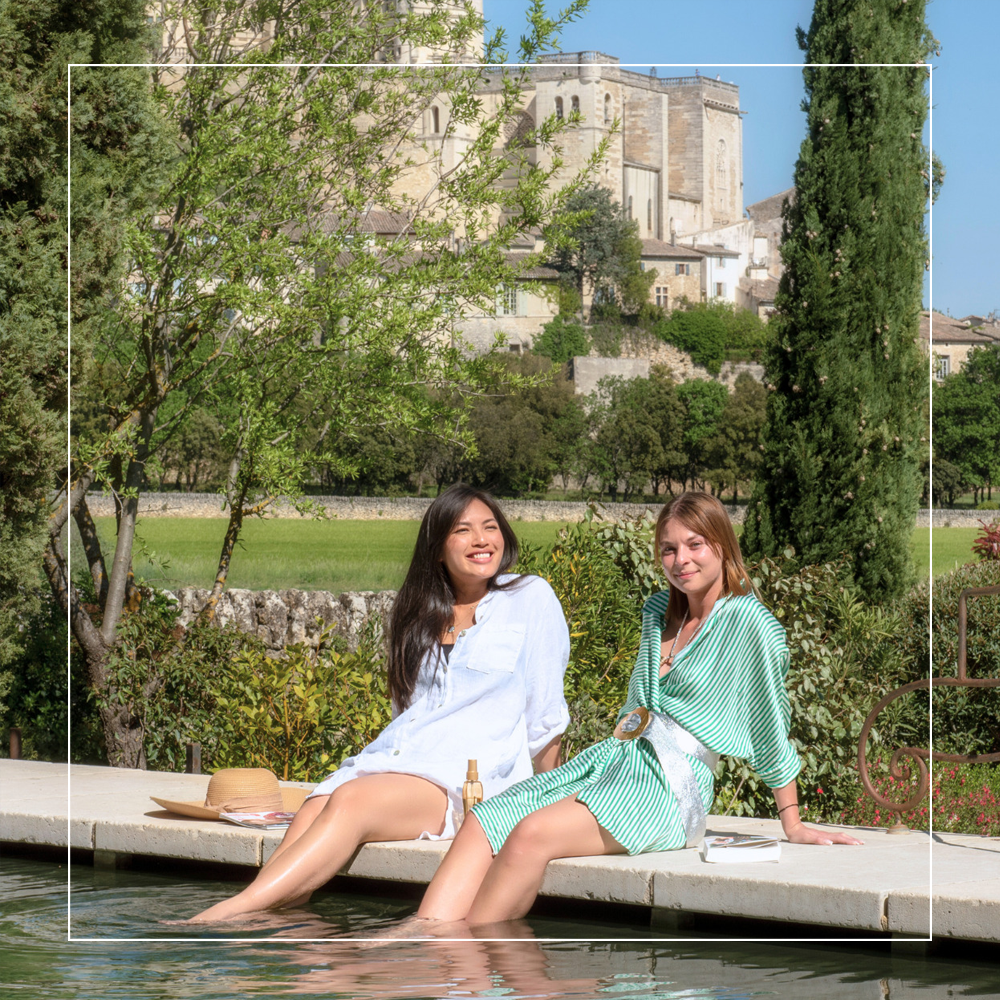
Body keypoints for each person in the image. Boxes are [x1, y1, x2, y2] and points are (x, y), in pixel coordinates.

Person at [416, 492, 863, 927]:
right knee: (484, 818)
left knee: (532, 835)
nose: (681, 559)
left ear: (722, 546)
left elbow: (770, 725)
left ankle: (464, 960)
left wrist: (794, 821)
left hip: (671, 787)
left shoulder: (751, 624)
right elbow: (637, 711)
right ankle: (422, 936)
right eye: (668, 549)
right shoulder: (657, 612)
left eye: (695, 545)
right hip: (615, 762)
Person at [190, 483, 570, 922]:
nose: (482, 540)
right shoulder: (418, 614)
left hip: (461, 779)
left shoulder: (529, 597)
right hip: (395, 763)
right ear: (437, 549)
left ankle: (228, 913)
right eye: (463, 530)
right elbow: (406, 714)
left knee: (351, 802)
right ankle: (292, 952)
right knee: (317, 805)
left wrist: (544, 807)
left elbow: (545, 717)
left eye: (490, 527)